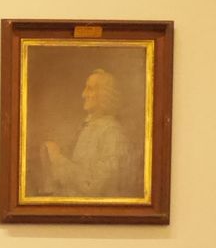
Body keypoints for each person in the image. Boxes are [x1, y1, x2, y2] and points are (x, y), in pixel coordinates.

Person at [41, 69, 141, 198]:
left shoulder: (113, 134)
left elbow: (95, 186)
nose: (84, 94)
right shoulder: (88, 128)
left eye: (90, 89)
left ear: (105, 95)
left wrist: (58, 159)